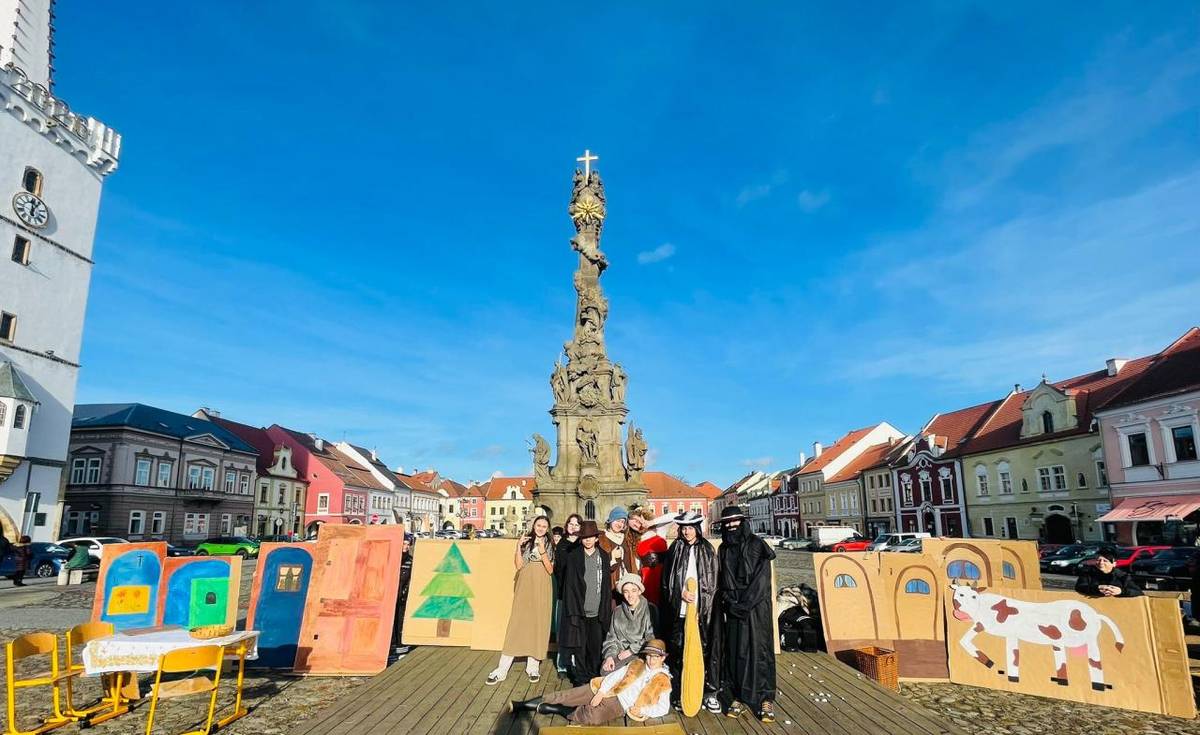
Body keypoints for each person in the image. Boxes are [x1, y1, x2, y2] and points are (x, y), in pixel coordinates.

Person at [510, 639, 672, 725]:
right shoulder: (637, 664)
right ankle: (522, 705)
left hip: (621, 705)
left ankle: (556, 709)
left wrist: (643, 710)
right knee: (567, 694)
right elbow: (615, 676)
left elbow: (663, 708)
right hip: (608, 689)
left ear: (663, 658)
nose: (651, 660)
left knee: (592, 717)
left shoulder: (663, 681)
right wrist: (601, 692)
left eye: (655, 657)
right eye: (649, 656)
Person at [715, 506, 777, 722]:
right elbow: (721, 580)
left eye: (735, 521)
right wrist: (729, 603)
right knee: (735, 652)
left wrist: (743, 605)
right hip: (733, 608)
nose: (731, 525)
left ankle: (765, 698)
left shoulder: (757, 545)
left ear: (742, 522)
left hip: (756, 609)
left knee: (760, 652)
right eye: (727, 522)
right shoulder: (723, 549)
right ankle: (738, 695)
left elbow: (762, 582)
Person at [660, 510, 722, 713]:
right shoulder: (675, 549)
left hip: (702, 612)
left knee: (704, 650)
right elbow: (667, 582)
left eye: (690, 528)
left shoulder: (707, 550)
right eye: (683, 528)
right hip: (680, 610)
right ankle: (679, 691)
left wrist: (702, 605)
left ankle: (708, 692)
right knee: (678, 650)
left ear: (697, 528)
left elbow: (713, 582)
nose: (687, 532)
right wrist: (680, 594)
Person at [486, 515, 555, 685]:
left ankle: (533, 666)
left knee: (538, 623)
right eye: (538, 525)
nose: (540, 528)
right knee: (517, 623)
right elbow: (518, 565)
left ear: (547, 529)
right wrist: (518, 546)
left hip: (542, 585)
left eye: (544, 526)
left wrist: (542, 550)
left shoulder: (550, 544)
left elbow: (550, 569)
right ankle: (502, 668)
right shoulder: (527, 541)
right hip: (524, 584)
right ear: (534, 526)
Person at [559, 520, 612, 685]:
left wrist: (605, 609)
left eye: (591, 537)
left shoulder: (603, 556)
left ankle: (593, 676)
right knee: (579, 647)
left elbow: (606, 586)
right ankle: (581, 678)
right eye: (585, 537)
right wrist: (572, 611)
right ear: (581, 539)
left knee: (595, 647)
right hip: (579, 611)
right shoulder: (574, 557)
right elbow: (569, 586)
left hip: (597, 611)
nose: (588, 540)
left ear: (597, 538)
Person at [602, 573, 657, 673]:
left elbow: (651, 638)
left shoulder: (650, 609)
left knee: (634, 673)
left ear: (639, 591)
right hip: (620, 652)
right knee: (605, 670)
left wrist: (631, 651)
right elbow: (611, 638)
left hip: (641, 652)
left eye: (633, 590)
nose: (630, 595)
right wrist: (610, 656)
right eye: (626, 592)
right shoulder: (617, 611)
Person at [554, 513, 584, 674]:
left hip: (580, 595)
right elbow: (559, 570)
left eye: (577, 524)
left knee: (578, 630)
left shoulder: (583, 543)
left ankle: (576, 662)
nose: (573, 526)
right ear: (566, 526)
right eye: (570, 523)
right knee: (563, 629)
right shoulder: (562, 544)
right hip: (564, 594)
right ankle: (562, 664)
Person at [631, 507, 669, 609]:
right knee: (649, 607)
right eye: (633, 523)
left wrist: (651, 522)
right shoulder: (635, 539)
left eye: (638, 521)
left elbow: (674, 516)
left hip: (663, 574)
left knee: (663, 605)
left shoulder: (659, 531)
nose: (636, 525)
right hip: (646, 576)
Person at [1075, 548, 1143, 598]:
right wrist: (1097, 588)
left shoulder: (1122, 576)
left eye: (1105, 561)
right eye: (1098, 560)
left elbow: (1138, 592)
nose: (1101, 563)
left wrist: (1121, 591)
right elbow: (1079, 587)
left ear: (1114, 564)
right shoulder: (1088, 574)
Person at [598, 507, 638, 589]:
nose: (620, 524)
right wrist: (611, 556)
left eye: (622, 522)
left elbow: (631, 562)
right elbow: (597, 561)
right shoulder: (602, 539)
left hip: (627, 583)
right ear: (611, 520)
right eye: (617, 520)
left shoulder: (626, 539)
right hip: (610, 583)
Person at [390, 533, 416, 661]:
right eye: (403, 544)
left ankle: (400, 646)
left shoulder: (410, 561)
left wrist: (405, 592)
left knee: (400, 621)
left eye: (407, 544)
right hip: (389, 597)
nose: (405, 547)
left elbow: (411, 578)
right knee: (390, 622)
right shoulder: (392, 558)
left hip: (402, 597)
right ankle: (391, 646)